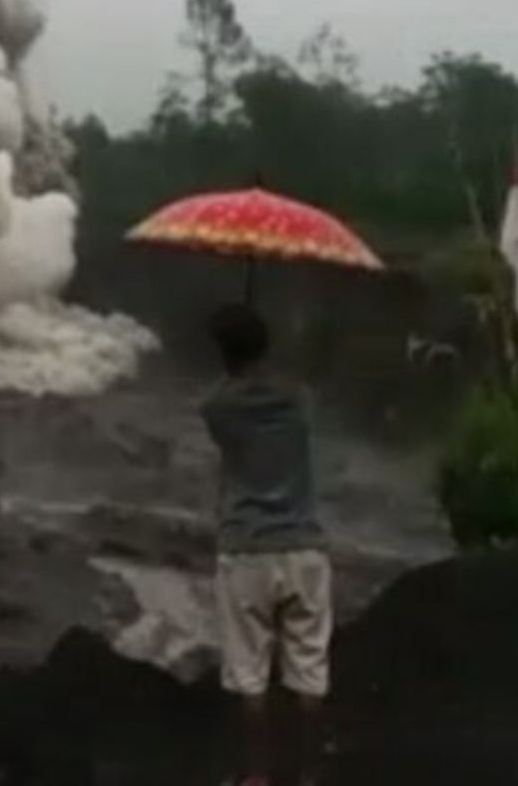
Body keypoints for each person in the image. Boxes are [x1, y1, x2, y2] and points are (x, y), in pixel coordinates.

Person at [202, 303, 332, 786]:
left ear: (223, 353)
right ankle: (310, 776)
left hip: (245, 550)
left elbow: (221, 415)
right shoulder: (300, 398)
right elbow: (298, 398)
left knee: (248, 671)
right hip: (304, 545)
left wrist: (238, 374)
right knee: (310, 668)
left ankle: (256, 778)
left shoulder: (217, 407)